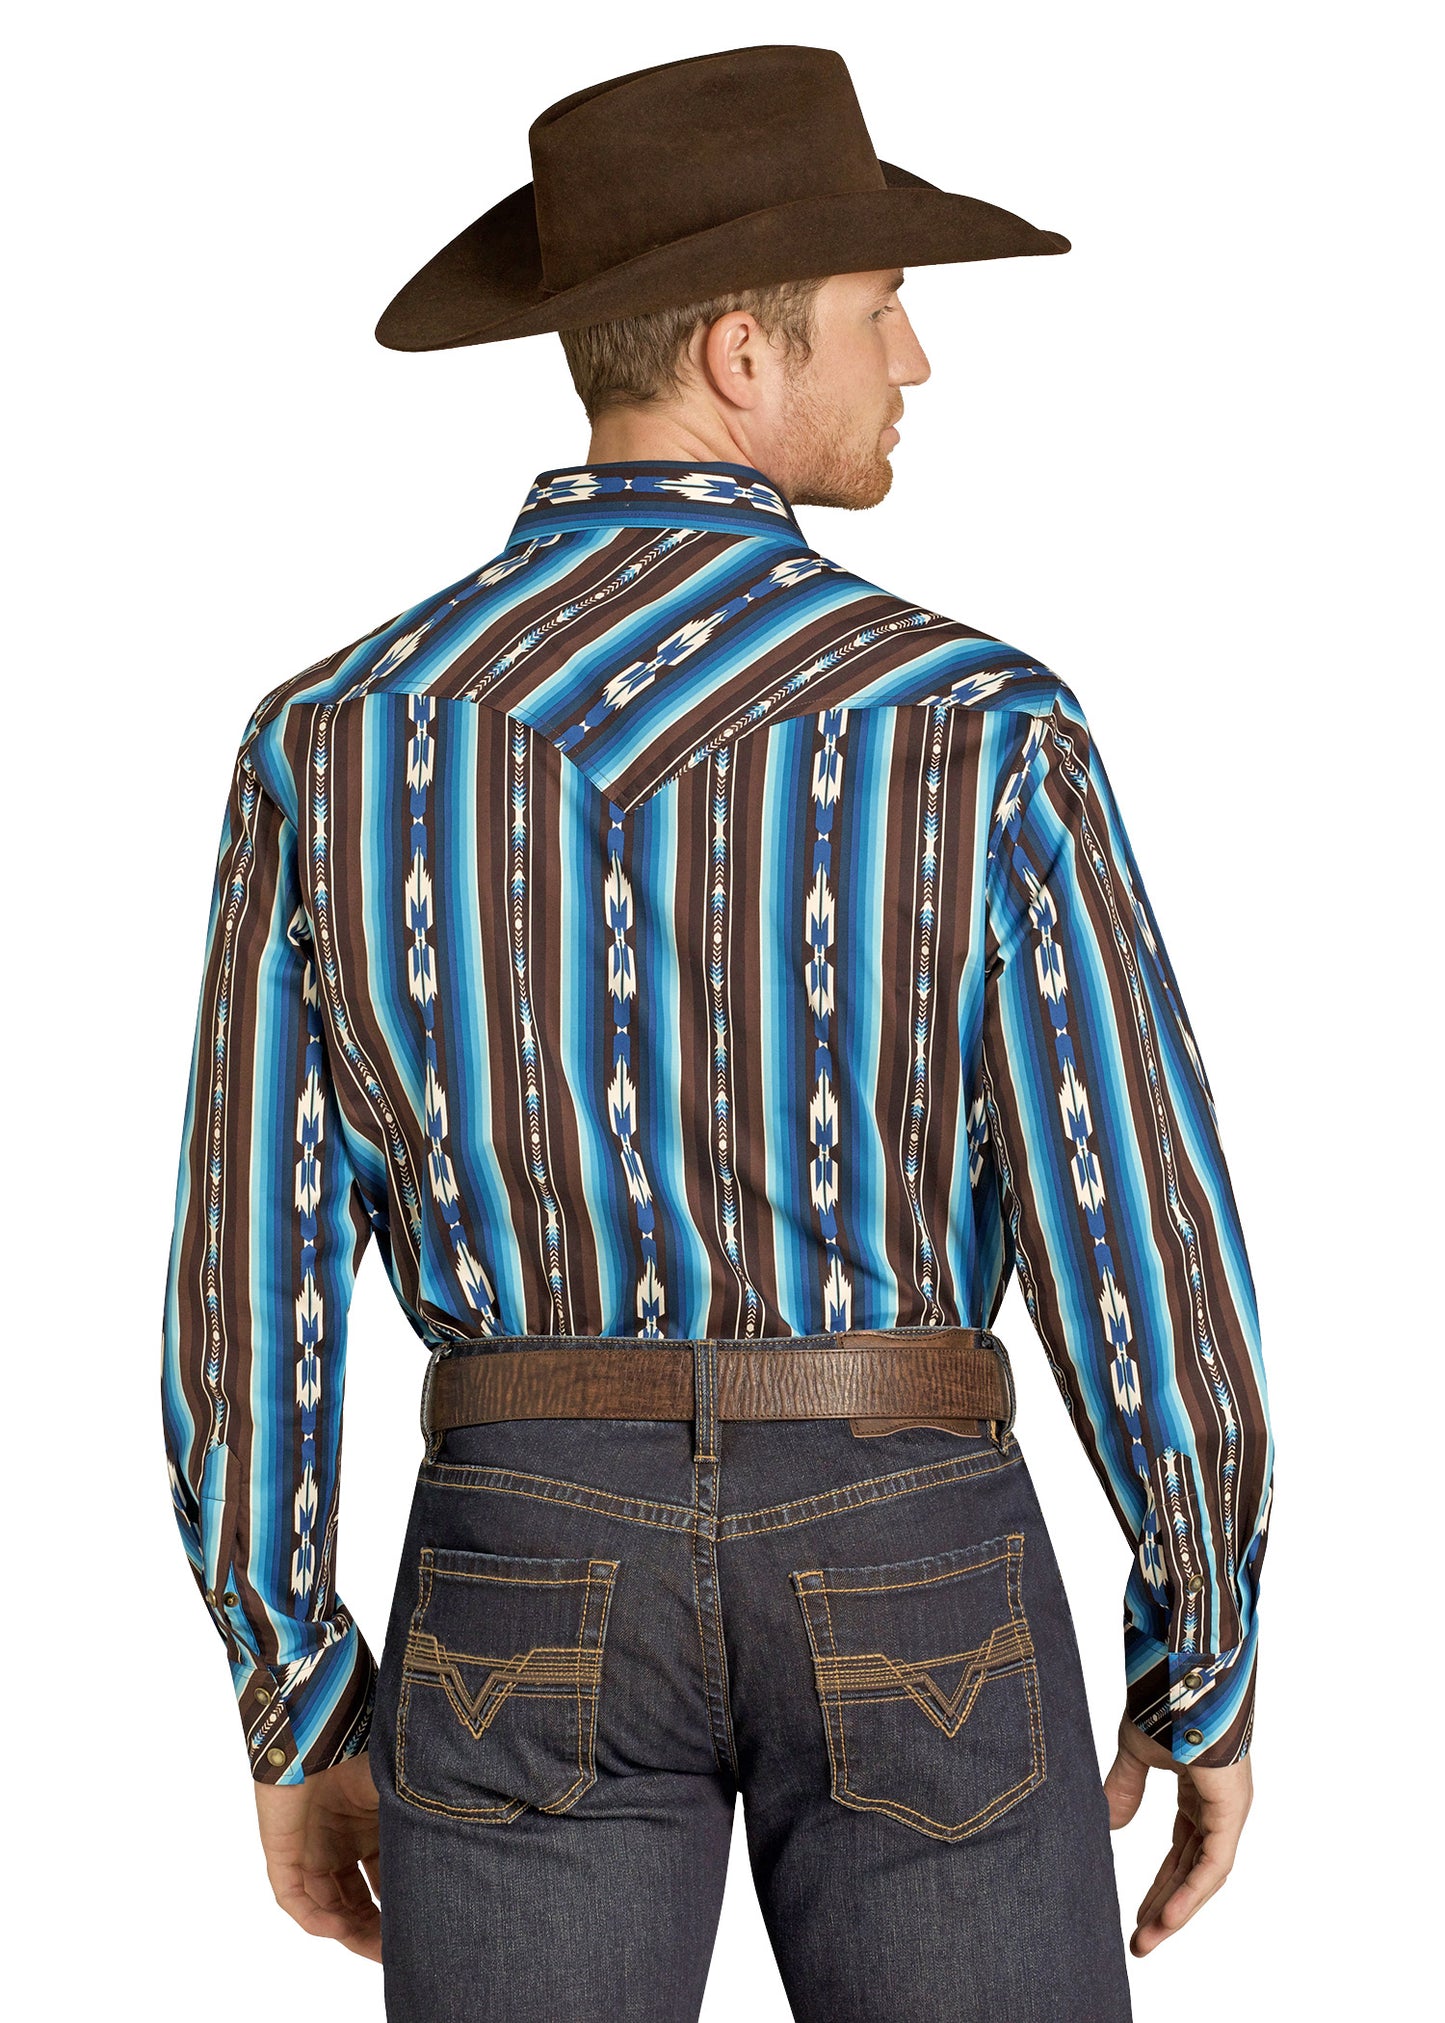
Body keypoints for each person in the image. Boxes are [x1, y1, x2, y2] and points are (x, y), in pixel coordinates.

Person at [160, 43, 1273, 2023]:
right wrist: (1205, 1648)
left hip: (516, 1560)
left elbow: (246, 1281)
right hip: (908, 1525)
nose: (918, 358)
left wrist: (291, 1689)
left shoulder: (326, 745)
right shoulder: (980, 731)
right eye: (880, 311)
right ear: (743, 357)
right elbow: (1139, 1222)